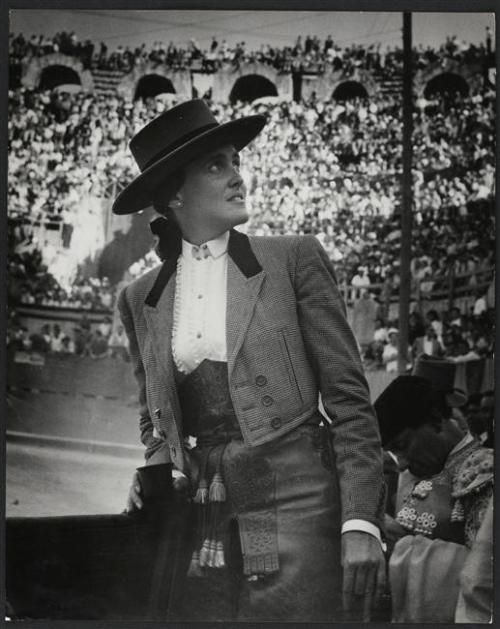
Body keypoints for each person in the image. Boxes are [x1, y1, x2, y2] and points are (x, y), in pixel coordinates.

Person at [113, 99, 386, 622]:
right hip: (207, 505)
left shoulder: (293, 257)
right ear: (174, 193)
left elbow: (351, 404)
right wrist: (158, 466)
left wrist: (360, 523)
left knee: (280, 614)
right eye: (217, 165)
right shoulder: (139, 296)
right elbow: (154, 418)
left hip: (295, 499)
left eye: (235, 160)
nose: (238, 176)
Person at [374, 368, 492, 623]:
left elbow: (485, 577)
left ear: (435, 420)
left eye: (403, 446)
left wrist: (401, 548)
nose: (402, 464)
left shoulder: (484, 473)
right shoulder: (427, 471)